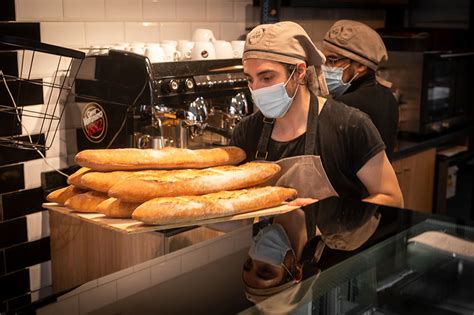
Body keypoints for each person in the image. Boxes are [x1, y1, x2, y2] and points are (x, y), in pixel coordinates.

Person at [230, 21, 403, 209]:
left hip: (334, 238)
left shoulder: (349, 125)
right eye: (249, 79)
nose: (256, 89)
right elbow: (230, 210)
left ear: (299, 72)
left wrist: (327, 213)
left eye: (267, 78)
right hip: (263, 239)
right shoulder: (247, 131)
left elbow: (391, 198)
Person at [320, 20, 399, 160]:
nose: (325, 67)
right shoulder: (388, 96)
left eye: (332, 60)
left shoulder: (344, 104)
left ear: (360, 66)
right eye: (324, 60)